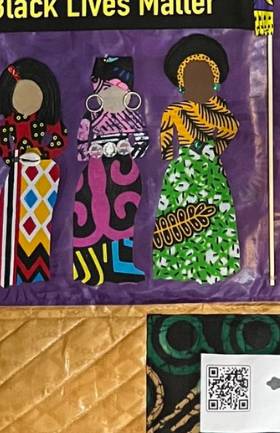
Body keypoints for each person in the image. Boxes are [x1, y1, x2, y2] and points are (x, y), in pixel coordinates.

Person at [151, 35, 240, 283]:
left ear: (215, 81)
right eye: (192, 77)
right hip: (183, 171)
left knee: (214, 218)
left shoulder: (219, 111)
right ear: (182, 83)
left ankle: (216, 267)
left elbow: (230, 130)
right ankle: (178, 268)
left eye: (204, 77)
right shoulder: (175, 111)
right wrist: (171, 158)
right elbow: (166, 140)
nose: (198, 83)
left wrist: (213, 149)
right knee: (180, 219)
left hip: (211, 170)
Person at [69, 54, 147, 283]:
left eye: (118, 90)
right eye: (106, 90)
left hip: (126, 173)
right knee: (90, 218)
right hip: (94, 175)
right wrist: (93, 150)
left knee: (124, 219)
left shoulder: (133, 117)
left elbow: (142, 144)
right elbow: (80, 149)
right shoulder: (90, 118)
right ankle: (87, 269)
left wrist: (127, 149)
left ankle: (122, 264)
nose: (112, 95)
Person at [0, 58, 64, 288]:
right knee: (14, 220)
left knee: (40, 222)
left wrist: (43, 153)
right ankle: (14, 270)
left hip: (44, 173)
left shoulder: (46, 120)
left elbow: (60, 139)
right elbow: (3, 145)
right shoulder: (8, 123)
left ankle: (37, 271)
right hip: (18, 173)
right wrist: (12, 159)